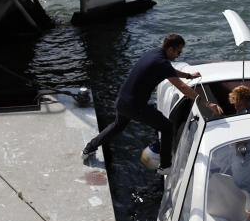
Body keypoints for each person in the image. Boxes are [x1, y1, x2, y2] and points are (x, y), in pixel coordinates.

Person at [82, 34, 223, 174]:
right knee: (167, 127)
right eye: (178, 52)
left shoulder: (154, 54)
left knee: (117, 126)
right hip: (135, 106)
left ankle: (89, 148)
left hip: (122, 101)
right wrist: (207, 103)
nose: (179, 55)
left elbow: (170, 71)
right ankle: (165, 166)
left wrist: (188, 76)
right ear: (170, 50)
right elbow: (182, 87)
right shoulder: (162, 63)